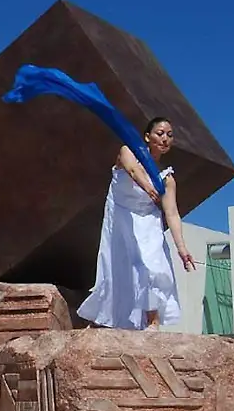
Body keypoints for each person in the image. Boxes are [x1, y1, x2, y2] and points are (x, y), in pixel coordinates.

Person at [77, 117, 196, 331]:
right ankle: (102, 320)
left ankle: (153, 321)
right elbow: (133, 170)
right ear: (147, 137)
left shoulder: (167, 178)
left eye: (170, 135)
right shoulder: (127, 151)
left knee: (152, 266)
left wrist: (182, 248)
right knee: (116, 266)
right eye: (160, 133)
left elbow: (172, 213)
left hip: (148, 219)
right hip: (121, 215)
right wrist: (149, 188)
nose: (165, 138)